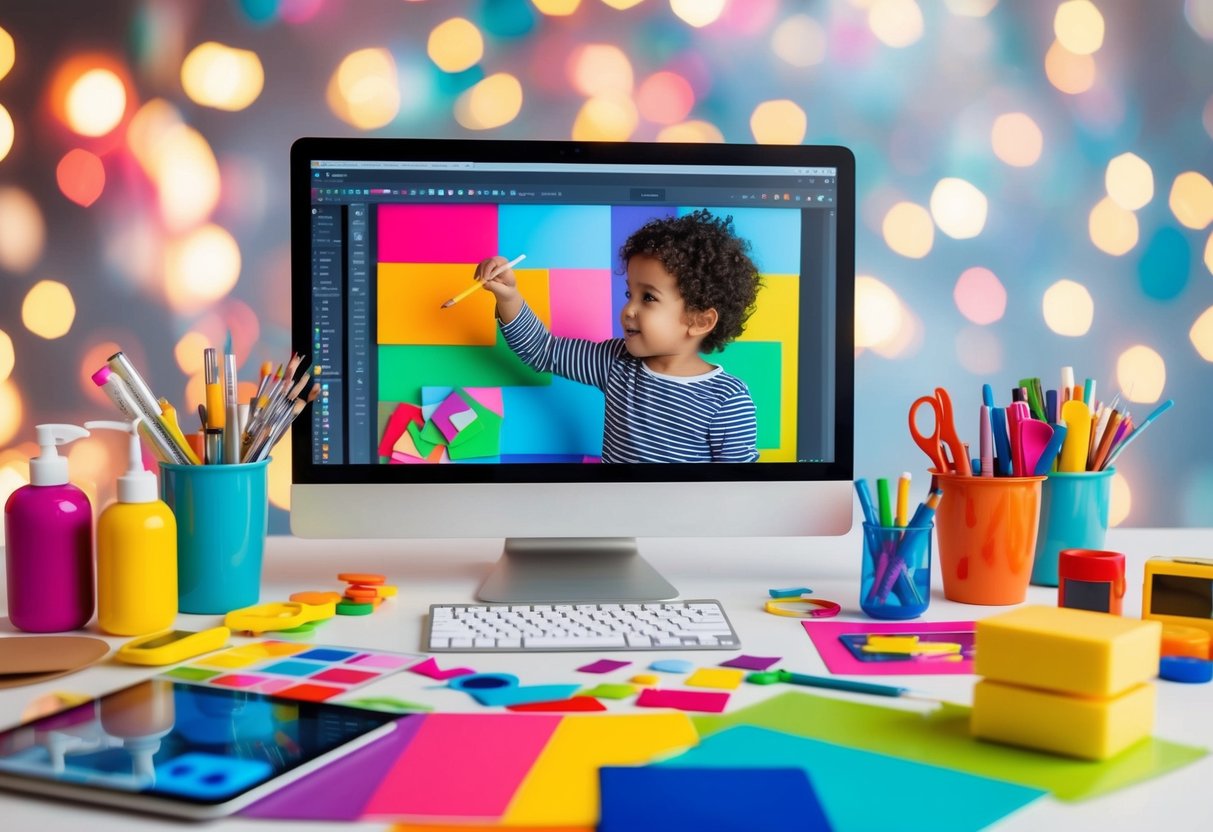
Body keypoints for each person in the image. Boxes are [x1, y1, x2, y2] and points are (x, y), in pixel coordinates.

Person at [476, 209, 762, 462]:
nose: (628, 310)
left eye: (648, 297)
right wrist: (508, 297)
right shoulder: (616, 362)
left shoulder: (728, 399)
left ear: (700, 320)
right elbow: (542, 350)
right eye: (629, 294)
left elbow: (735, 487)